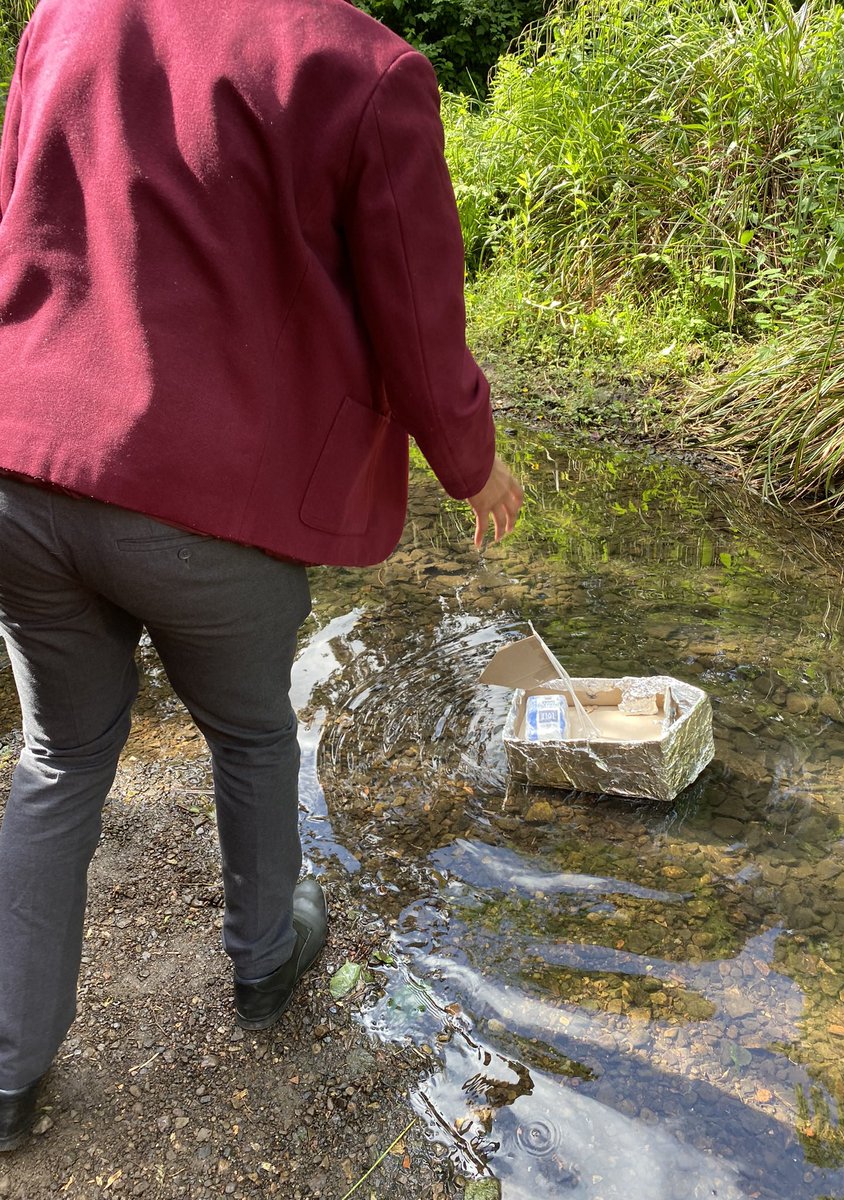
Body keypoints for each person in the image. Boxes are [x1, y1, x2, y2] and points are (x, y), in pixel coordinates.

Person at [0, 0, 523, 1152]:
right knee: (249, 731)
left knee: (60, 755)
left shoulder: (65, 15)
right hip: (205, 497)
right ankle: (265, 961)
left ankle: (6, 1077)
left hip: (21, 468)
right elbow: (417, 311)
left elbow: (17, 217)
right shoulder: (363, 67)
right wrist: (470, 461)